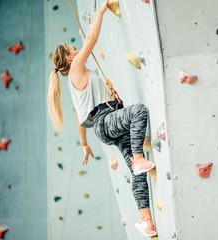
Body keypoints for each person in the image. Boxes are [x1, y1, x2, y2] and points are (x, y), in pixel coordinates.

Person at [47, 0, 157, 237]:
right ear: (68, 58)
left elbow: (79, 116)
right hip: (105, 121)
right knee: (138, 111)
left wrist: (85, 144)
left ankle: (145, 220)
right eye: (71, 49)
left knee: (136, 172)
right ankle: (138, 157)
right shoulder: (76, 66)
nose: (76, 49)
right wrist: (101, 11)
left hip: (104, 126)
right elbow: (91, 41)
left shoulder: (74, 81)